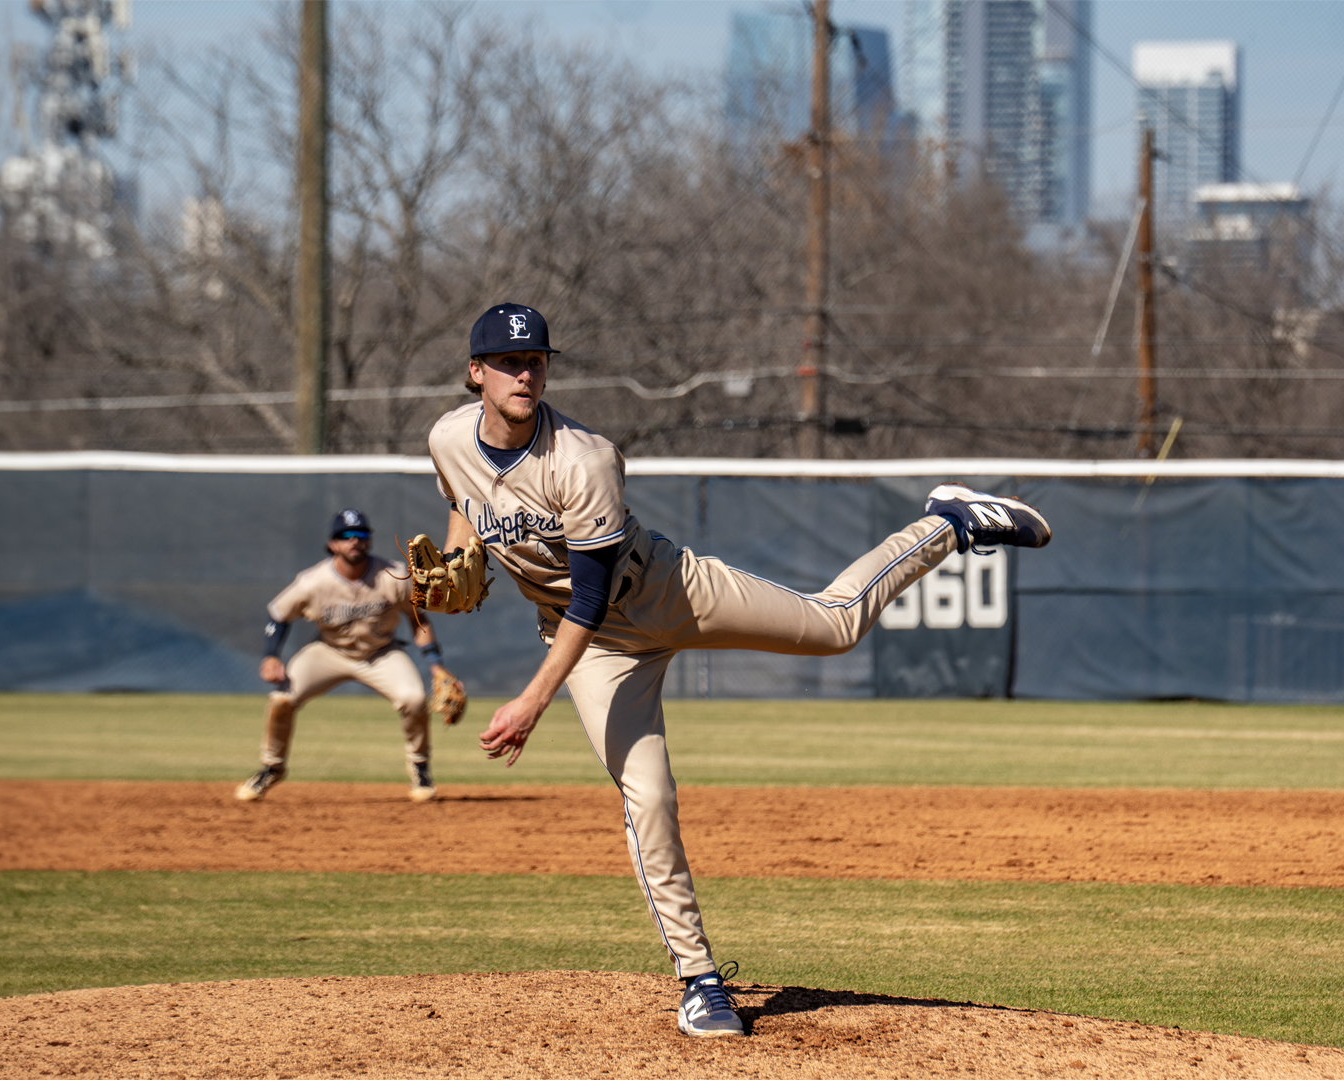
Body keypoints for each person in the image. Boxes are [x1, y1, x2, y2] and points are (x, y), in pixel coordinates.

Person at [424, 303, 1052, 1038]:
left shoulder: (583, 459)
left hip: (662, 590)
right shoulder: (446, 438)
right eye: (508, 362)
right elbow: (462, 503)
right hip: (595, 651)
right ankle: (700, 980)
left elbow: (590, 597)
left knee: (835, 627)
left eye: (536, 361)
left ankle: (948, 522)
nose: (525, 373)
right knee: (647, 796)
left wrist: (532, 699)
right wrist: (461, 556)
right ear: (477, 373)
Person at [236, 509, 464, 805]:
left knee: (414, 699)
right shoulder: (312, 582)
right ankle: (272, 767)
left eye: (361, 535)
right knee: (281, 700)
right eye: (345, 536)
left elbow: (417, 620)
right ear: (333, 544)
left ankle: (420, 768)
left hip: (381, 653)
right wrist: (270, 656)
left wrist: (436, 667)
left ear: (368, 541)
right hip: (329, 652)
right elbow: (278, 615)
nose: (354, 540)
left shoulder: (394, 575)